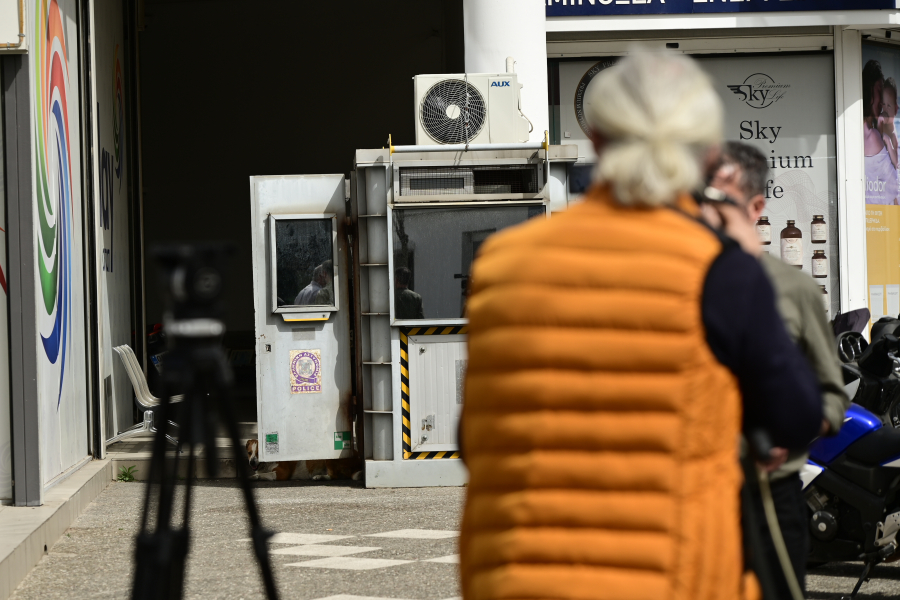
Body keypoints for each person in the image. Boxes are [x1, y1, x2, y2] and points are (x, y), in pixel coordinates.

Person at [458, 52, 823, 600]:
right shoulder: (719, 271)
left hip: (515, 575)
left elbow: (473, 439)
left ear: (598, 141)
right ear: (706, 155)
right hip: (672, 578)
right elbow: (796, 418)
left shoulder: (503, 261)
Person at [707, 141, 850, 599]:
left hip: (771, 491)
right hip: (692, 494)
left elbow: (832, 391)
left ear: (755, 206)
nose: (707, 213)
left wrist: (799, 427)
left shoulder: (792, 288)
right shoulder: (676, 279)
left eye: (720, 199)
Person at [863, 59, 899, 205]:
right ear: (869, 89)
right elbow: (894, 186)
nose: (882, 103)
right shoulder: (872, 136)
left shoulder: (863, 132)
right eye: (879, 90)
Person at [882, 77, 900, 169]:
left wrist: (888, 141)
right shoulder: (880, 122)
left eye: (889, 105)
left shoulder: (893, 136)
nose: (885, 109)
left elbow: (896, 163)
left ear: (896, 109)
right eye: (883, 104)